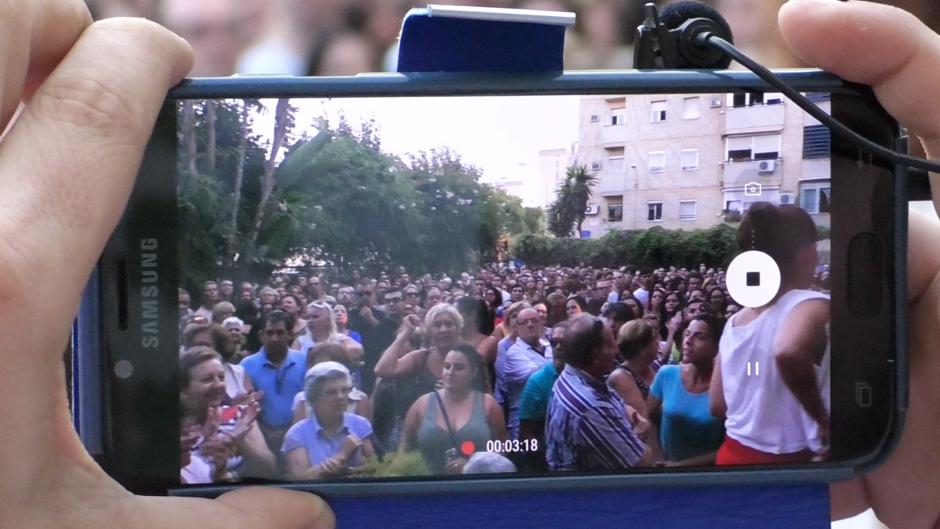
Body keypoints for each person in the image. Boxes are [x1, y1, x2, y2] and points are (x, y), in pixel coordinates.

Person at [5, 2, 940, 528]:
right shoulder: (414, 395)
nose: (458, 347)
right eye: (452, 343)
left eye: (460, 342)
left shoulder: (560, 382)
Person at [711, 202, 830, 466]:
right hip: (787, 466)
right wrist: (823, 421)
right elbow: (788, 351)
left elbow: (717, 405)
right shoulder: (809, 302)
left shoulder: (733, 323)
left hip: (731, 455)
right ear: (809, 255)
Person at [545, 314, 653, 470]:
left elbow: (619, 406)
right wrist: (638, 434)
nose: (617, 350)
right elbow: (641, 462)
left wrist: (625, 413)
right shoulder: (591, 407)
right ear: (596, 355)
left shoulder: (573, 374)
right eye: (611, 344)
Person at [401, 344, 507, 474]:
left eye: (459, 368)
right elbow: (405, 448)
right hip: (428, 486)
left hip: (477, 485)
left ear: (473, 372)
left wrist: (472, 465)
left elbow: (502, 448)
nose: (450, 372)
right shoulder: (421, 404)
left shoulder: (488, 404)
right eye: (447, 367)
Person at [179, 347, 277, 481]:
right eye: (208, 379)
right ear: (183, 388)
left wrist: (240, 441)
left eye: (221, 377)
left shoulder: (240, 416)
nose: (218, 385)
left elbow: (269, 468)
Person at [647, 314, 726, 466]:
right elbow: (647, 417)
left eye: (700, 337)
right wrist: (657, 458)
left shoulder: (727, 387)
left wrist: (681, 467)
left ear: (718, 346)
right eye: (687, 334)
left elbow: (727, 446)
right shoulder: (667, 374)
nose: (688, 341)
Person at [282, 362, 376, 480]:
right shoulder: (297, 434)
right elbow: (300, 478)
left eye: (344, 390)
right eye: (332, 392)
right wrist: (341, 455)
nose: (340, 397)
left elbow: (375, 469)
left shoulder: (360, 424)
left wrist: (353, 470)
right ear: (313, 398)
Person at [240, 310, 307, 452]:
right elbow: (245, 405)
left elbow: (308, 402)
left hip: (299, 437)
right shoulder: (246, 365)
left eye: (280, 333)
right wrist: (266, 431)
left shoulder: (303, 361)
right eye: (269, 333)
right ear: (261, 336)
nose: (274, 338)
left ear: (290, 335)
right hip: (261, 437)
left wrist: (289, 431)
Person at [518, 321, 568, 471]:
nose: (558, 347)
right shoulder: (537, 381)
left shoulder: (587, 375)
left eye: (564, 343)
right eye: (554, 342)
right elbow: (526, 434)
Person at [495, 307, 551, 440]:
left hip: (550, 420)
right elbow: (539, 379)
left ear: (541, 323)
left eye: (534, 321)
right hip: (526, 425)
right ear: (517, 327)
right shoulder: (513, 353)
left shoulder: (549, 345)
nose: (530, 325)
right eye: (525, 322)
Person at [607, 319, 661, 418]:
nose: (658, 343)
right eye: (654, 340)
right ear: (642, 348)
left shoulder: (655, 366)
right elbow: (644, 419)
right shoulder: (621, 377)